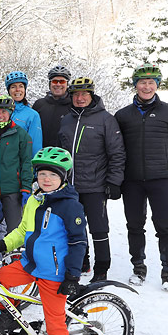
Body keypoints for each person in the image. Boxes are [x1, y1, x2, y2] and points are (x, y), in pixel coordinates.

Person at [0, 147, 87, 335]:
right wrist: (0, 245)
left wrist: (72, 276)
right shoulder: (34, 200)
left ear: (64, 177)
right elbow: (22, 232)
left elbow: (78, 242)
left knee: (55, 322)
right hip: (30, 263)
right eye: (42, 174)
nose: (46, 179)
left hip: (55, 272)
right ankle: (7, 316)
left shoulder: (69, 206)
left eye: (52, 174)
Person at [114, 65, 168, 291]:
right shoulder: (123, 115)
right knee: (134, 226)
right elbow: (115, 149)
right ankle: (138, 268)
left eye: (151, 82)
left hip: (161, 180)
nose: (146, 87)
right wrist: (117, 180)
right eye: (142, 82)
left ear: (157, 85)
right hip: (132, 181)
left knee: (165, 227)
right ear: (135, 85)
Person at [59, 77, 125, 282]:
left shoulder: (106, 119)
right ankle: (82, 261)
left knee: (98, 227)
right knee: (74, 226)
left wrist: (114, 181)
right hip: (70, 186)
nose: (80, 98)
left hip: (96, 185)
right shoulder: (66, 119)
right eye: (76, 94)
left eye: (84, 94)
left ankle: (102, 267)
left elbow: (117, 152)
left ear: (92, 95)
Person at [0, 94, 33, 233]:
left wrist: (26, 187)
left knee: (14, 229)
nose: (0, 115)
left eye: (4, 111)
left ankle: (15, 255)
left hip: (13, 190)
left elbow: (26, 163)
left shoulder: (21, 135)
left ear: (10, 112)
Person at [3, 71, 43, 155]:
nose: (18, 90)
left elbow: (35, 145)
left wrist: (32, 166)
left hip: (20, 164)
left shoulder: (32, 115)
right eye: (13, 87)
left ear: (25, 89)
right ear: (9, 91)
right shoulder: (0, 111)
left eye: (21, 86)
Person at [33, 65, 72, 147]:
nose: (58, 84)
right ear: (50, 84)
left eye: (62, 81)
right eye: (54, 81)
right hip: (41, 154)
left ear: (67, 84)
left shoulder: (73, 106)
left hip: (64, 155)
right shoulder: (39, 104)